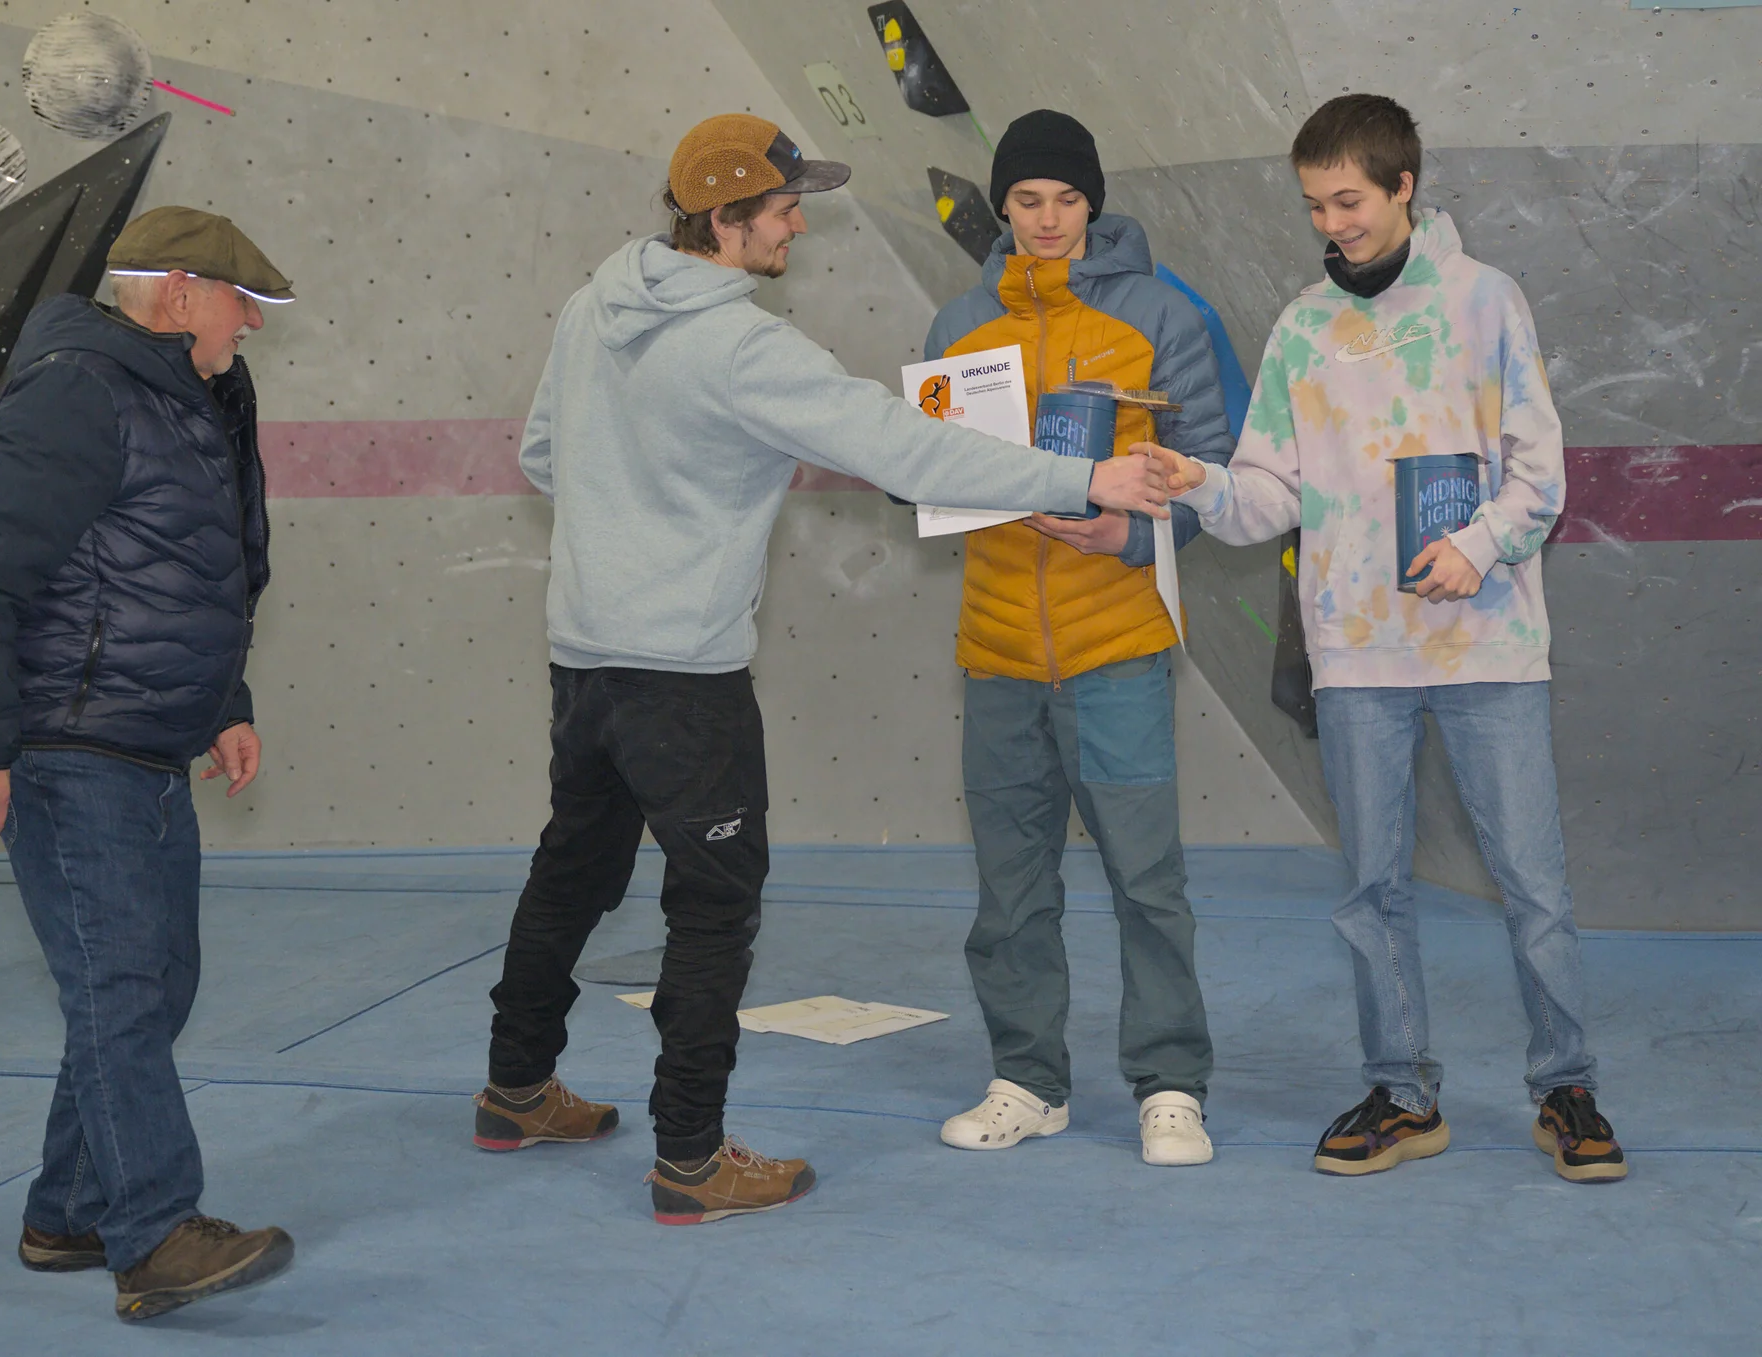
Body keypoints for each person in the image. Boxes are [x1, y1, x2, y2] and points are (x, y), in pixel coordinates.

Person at [478, 113, 1176, 1226]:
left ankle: (515, 1088)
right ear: (726, 220)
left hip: (584, 663)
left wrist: (641, 506)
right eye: (784, 208)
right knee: (715, 908)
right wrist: (1084, 480)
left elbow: (543, 456)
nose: (798, 224)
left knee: (573, 868)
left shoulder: (590, 305)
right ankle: (694, 1160)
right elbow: (902, 447)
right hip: (683, 676)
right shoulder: (744, 347)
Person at [1146, 95, 1627, 1182]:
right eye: (1315, 204)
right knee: (1372, 888)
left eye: (1350, 200)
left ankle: (1567, 1086)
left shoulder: (1487, 301)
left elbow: (1540, 471)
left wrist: (1482, 543)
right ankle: (1403, 1092)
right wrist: (1203, 484)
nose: (1333, 223)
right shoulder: (1302, 327)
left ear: (1405, 186)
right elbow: (1271, 490)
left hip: (1486, 649)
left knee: (1533, 882)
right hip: (1355, 655)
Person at [0, 206, 301, 1320]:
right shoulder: (81, 393)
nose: (252, 329)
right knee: (122, 987)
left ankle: (68, 1211)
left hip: (143, 743)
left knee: (149, 986)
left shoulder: (195, 403)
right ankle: (154, 1231)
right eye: (243, 304)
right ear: (178, 293)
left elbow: (207, 570)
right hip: (64, 744)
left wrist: (221, 699)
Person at [921, 110, 1234, 1167]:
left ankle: (1172, 1084)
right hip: (998, 654)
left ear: (1092, 203)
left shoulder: (1156, 316)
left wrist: (1136, 530)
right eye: (1026, 201)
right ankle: (1027, 1080)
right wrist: (906, 472)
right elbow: (918, 466)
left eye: (1065, 198)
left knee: (1148, 881)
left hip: (1119, 649)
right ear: (1000, 210)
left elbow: (1211, 471)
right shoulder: (956, 329)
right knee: (1009, 890)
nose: (1047, 219)